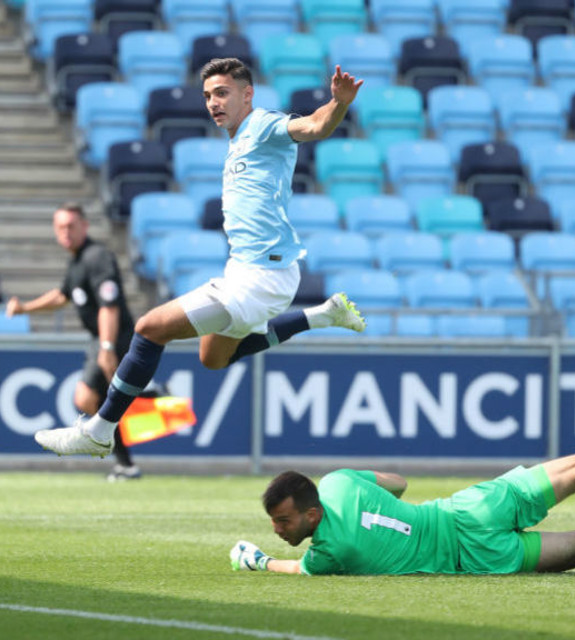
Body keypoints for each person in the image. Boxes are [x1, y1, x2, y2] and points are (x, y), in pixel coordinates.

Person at [35, 59, 368, 457]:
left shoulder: (262, 125)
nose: (213, 102)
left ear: (248, 95)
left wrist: (340, 104)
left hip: (263, 277)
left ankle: (99, 430)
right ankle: (322, 315)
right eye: (208, 95)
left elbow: (314, 125)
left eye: (223, 93)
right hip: (247, 271)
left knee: (148, 328)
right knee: (212, 359)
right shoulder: (238, 139)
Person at [230, 434, 575, 578]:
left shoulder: (328, 554)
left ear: (312, 515)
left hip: (479, 559)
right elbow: (399, 483)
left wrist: (257, 560)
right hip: (470, 510)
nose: (277, 531)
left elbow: (293, 568)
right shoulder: (340, 481)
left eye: (283, 521)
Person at [5, 202, 142, 480]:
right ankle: (127, 459)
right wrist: (25, 308)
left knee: (87, 397)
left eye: (70, 225)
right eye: (60, 227)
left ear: (84, 226)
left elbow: (109, 306)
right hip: (101, 339)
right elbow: (61, 296)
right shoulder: (78, 261)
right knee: (98, 401)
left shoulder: (97, 257)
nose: (65, 232)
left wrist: (106, 347)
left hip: (114, 337)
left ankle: (128, 455)